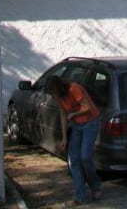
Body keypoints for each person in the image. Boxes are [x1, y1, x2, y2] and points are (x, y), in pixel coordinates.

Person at [46, 75, 102, 205]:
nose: (53, 96)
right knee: (74, 161)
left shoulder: (73, 88)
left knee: (85, 157)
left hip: (90, 123)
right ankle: (80, 196)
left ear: (59, 87)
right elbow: (63, 114)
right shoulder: (59, 97)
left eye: (53, 92)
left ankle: (95, 186)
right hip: (76, 126)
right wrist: (65, 138)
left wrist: (74, 114)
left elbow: (87, 107)